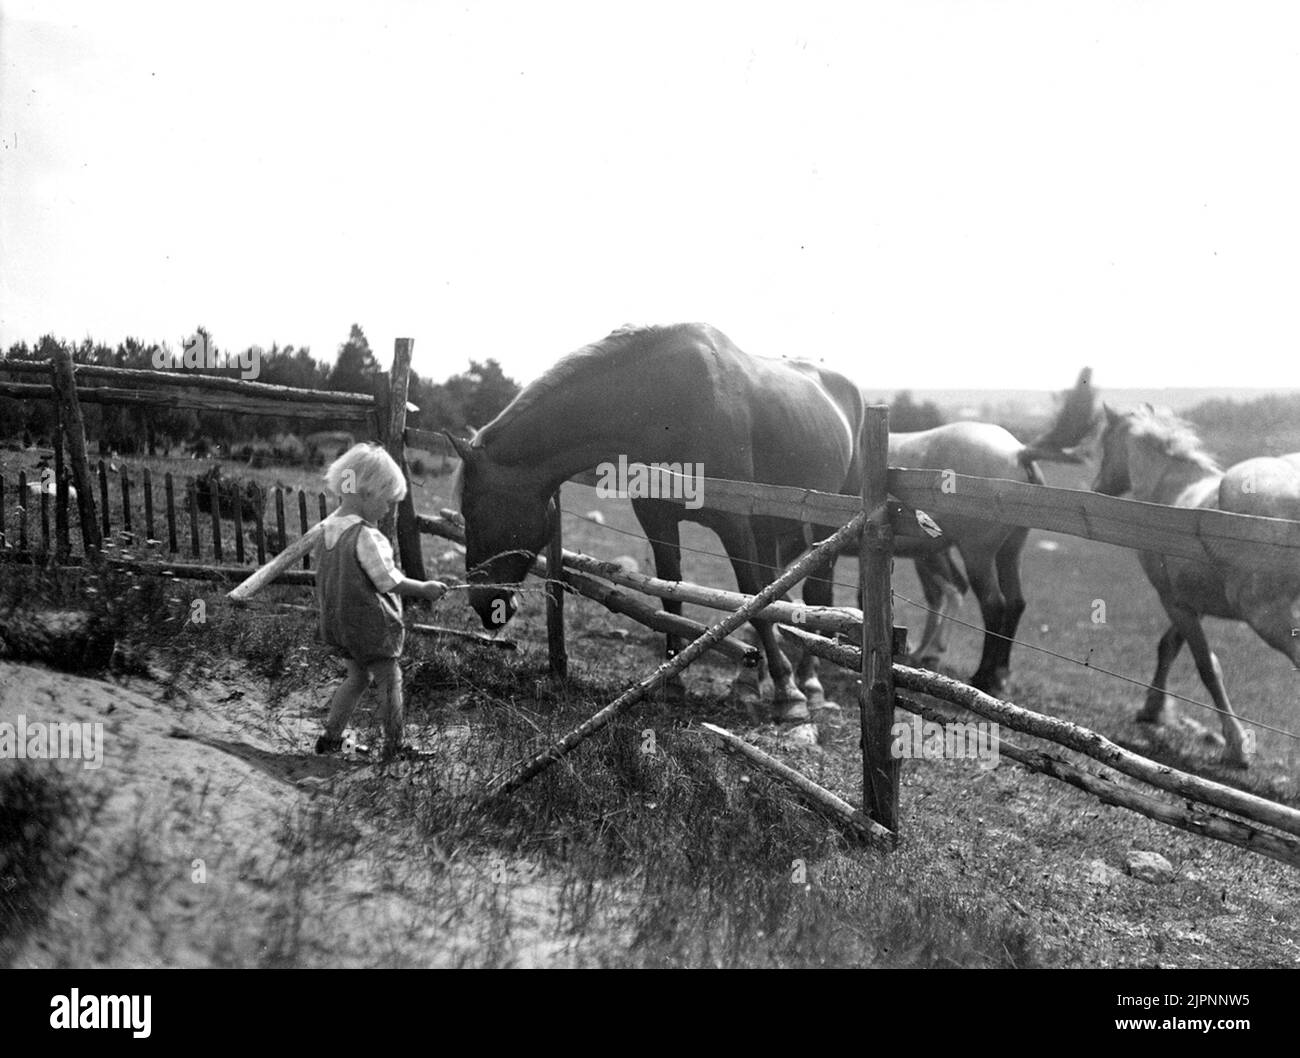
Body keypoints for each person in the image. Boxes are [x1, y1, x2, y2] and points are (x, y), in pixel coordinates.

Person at [313, 443, 446, 759]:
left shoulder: (326, 529)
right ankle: (395, 745)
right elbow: (388, 580)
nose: (389, 509)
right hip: (368, 624)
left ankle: (331, 738)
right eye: (387, 501)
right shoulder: (366, 536)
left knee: (357, 678)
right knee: (390, 680)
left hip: (338, 622)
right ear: (368, 493)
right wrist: (425, 588)